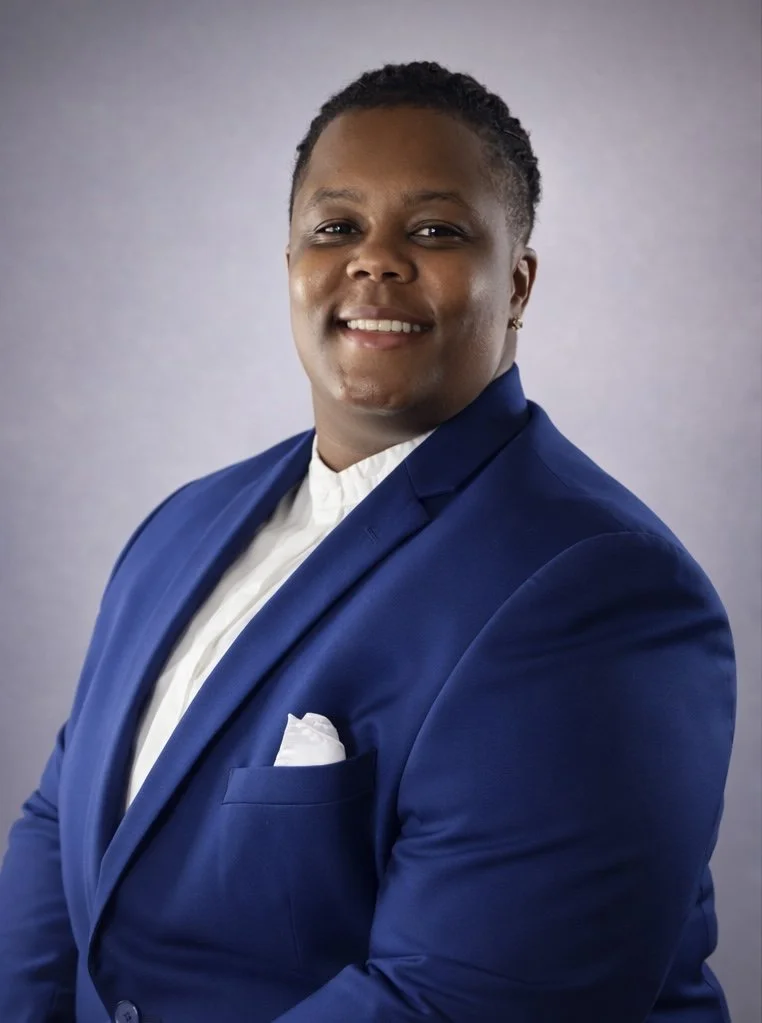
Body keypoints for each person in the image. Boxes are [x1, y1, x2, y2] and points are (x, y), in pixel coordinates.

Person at [0, 60, 736, 1023]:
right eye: (336, 227)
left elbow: (456, 1000)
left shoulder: (599, 590)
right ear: (292, 266)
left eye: (434, 230)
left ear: (516, 284)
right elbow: (66, 832)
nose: (375, 259)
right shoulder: (177, 530)